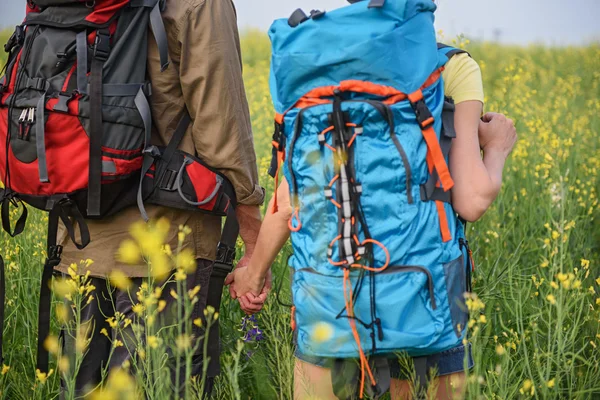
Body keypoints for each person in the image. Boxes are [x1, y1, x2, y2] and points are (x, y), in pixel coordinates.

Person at [226, 49, 517, 399]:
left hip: (329, 289)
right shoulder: (450, 67)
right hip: (424, 290)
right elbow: (472, 201)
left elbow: (288, 207)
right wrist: (497, 148)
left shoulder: (319, 66)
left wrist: (253, 274)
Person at [55, 0, 265, 397]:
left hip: (77, 242)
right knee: (162, 385)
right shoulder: (201, 4)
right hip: (167, 247)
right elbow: (221, 124)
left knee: (80, 387)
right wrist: (254, 245)